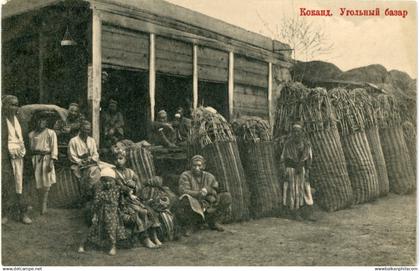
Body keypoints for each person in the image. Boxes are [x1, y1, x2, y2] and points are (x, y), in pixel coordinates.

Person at [113, 149, 162, 249]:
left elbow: (139, 186)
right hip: (122, 200)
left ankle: (154, 236)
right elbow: (114, 188)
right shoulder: (113, 173)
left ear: (125, 160)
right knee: (141, 212)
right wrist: (125, 189)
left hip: (133, 198)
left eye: (120, 158)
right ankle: (145, 238)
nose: (118, 161)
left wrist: (134, 185)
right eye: (115, 159)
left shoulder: (130, 172)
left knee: (148, 210)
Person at [177, 155, 232, 235]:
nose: (196, 168)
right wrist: (198, 194)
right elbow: (183, 191)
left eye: (199, 165)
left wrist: (208, 190)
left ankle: (213, 221)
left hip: (208, 203)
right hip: (194, 202)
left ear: (204, 166)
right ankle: (192, 225)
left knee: (226, 196)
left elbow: (216, 188)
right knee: (185, 198)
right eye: (194, 165)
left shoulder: (209, 176)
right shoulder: (185, 175)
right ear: (190, 166)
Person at [78, 169, 127, 256]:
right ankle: (83, 245)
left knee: (112, 229)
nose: (107, 183)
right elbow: (96, 203)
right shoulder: (100, 191)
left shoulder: (117, 189)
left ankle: (113, 246)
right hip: (101, 213)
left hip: (113, 213)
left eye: (110, 181)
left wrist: (121, 208)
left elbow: (121, 199)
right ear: (102, 182)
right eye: (105, 181)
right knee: (93, 229)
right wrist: (94, 214)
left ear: (114, 181)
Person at [1, 95, 32, 224]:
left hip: (21, 157)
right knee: (6, 184)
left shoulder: (21, 120)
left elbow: (25, 138)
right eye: (11, 104)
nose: (14, 107)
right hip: (5, 158)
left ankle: (23, 213)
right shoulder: (2, 121)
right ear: (4, 105)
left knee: (22, 184)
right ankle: (4, 214)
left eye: (16, 104)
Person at [280, 123, 316, 221]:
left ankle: (307, 213)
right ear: (292, 133)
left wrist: (307, 170)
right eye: (294, 131)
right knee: (292, 191)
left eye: (298, 132)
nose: (296, 134)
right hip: (291, 170)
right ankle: (294, 212)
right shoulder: (288, 145)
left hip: (302, 171)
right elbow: (283, 158)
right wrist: (284, 171)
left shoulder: (306, 144)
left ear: (302, 133)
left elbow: (309, 158)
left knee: (305, 190)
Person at [28, 111, 58, 215]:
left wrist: (51, 161)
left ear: (46, 122)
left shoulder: (51, 133)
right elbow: (30, 149)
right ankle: (37, 203)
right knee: (37, 182)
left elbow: (54, 148)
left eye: (43, 120)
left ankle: (44, 204)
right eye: (39, 120)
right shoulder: (31, 134)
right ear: (36, 122)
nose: (41, 122)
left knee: (46, 182)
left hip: (46, 159)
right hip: (35, 159)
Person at [68, 121, 101, 203]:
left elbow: (95, 154)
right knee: (92, 171)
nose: (87, 132)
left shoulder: (91, 140)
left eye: (88, 130)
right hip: (78, 164)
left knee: (104, 168)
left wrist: (91, 159)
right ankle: (88, 194)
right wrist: (81, 161)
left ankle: (95, 193)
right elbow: (72, 155)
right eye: (85, 129)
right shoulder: (73, 141)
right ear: (80, 129)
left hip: (91, 162)